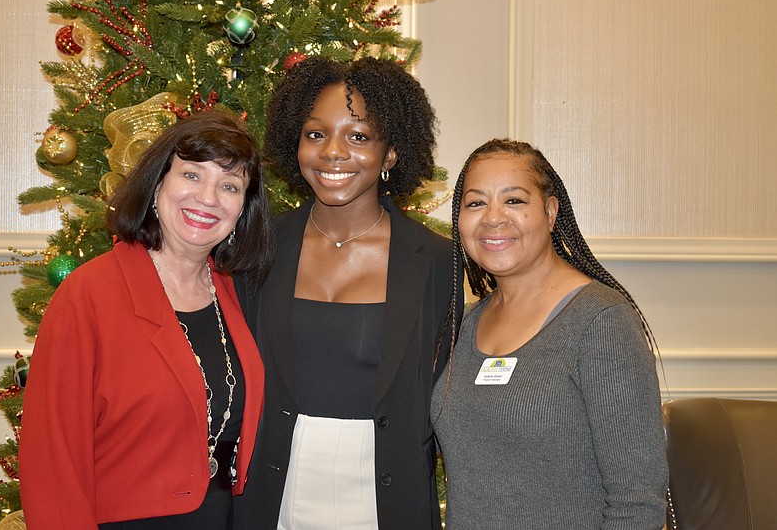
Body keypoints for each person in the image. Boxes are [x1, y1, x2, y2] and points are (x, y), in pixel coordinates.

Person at [233, 56, 461, 529]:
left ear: (390, 154)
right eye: (315, 134)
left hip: (387, 494)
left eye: (358, 137)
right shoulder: (259, 249)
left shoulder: (437, 261)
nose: (332, 152)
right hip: (274, 489)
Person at [18, 111, 275, 529]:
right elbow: (52, 460)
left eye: (229, 186)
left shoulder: (238, 293)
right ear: (158, 185)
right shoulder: (89, 295)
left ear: (242, 209)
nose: (208, 198)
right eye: (192, 176)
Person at [432, 138, 668, 529]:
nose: (493, 217)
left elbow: (637, 503)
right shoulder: (467, 322)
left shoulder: (600, 322)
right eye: (475, 203)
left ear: (551, 210)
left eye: (514, 201)